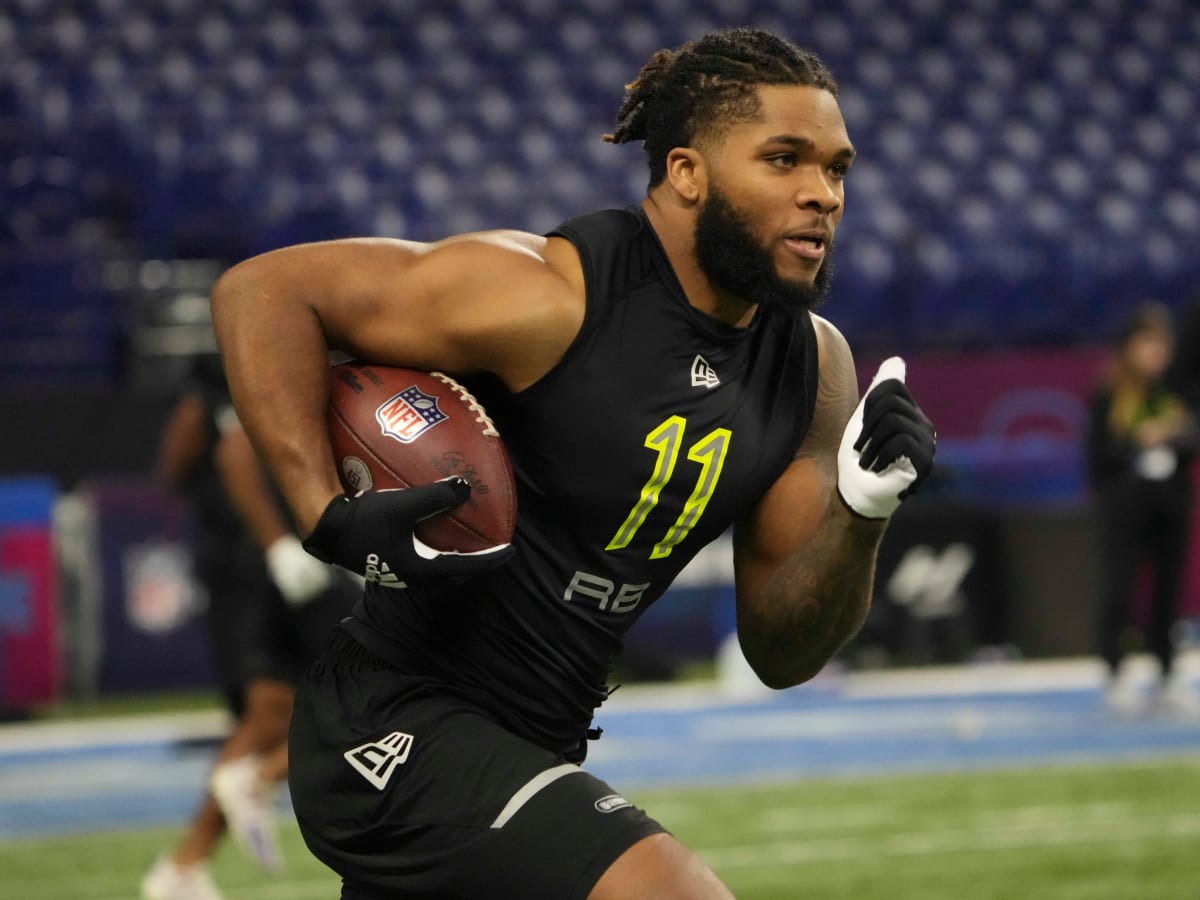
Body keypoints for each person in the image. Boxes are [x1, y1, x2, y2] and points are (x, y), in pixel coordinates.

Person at [210, 28, 937, 899]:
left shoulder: (812, 368)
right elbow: (263, 293)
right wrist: (323, 512)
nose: (822, 195)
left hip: (538, 737)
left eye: (837, 168)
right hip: (394, 720)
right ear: (685, 173)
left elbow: (782, 651)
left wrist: (861, 512)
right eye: (784, 160)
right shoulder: (553, 295)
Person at [142, 355, 360, 900]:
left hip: (283, 567)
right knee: (382, 698)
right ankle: (259, 779)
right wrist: (278, 544)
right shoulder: (274, 367)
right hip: (284, 570)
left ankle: (182, 868)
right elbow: (227, 448)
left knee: (272, 715)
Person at [1085, 303, 1199, 716]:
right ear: (1129, 347)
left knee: (1168, 593)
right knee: (1121, 589)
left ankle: (1167, 671)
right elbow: (1099, 455)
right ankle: (1116, 671)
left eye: (1161, 343)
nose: (1155, 352)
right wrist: (1137, 443)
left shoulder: (1177, 391)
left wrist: (1175, 435)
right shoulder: (1111, 394)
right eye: (1146, 342)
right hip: (1126, 507)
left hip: (1170, 504)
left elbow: (1191, 439)